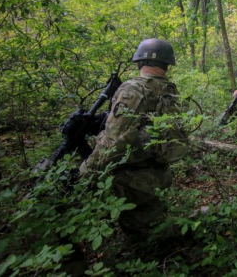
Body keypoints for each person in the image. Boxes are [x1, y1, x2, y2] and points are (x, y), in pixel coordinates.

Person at [80, 38, 188, 241]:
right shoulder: (169, 90)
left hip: (132, 183)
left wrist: (85, 173)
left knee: (145, 238)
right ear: (167, 64)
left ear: (139, 61)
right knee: (154, 225)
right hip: (158, 174)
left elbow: (113, 143)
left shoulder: (132, 90)